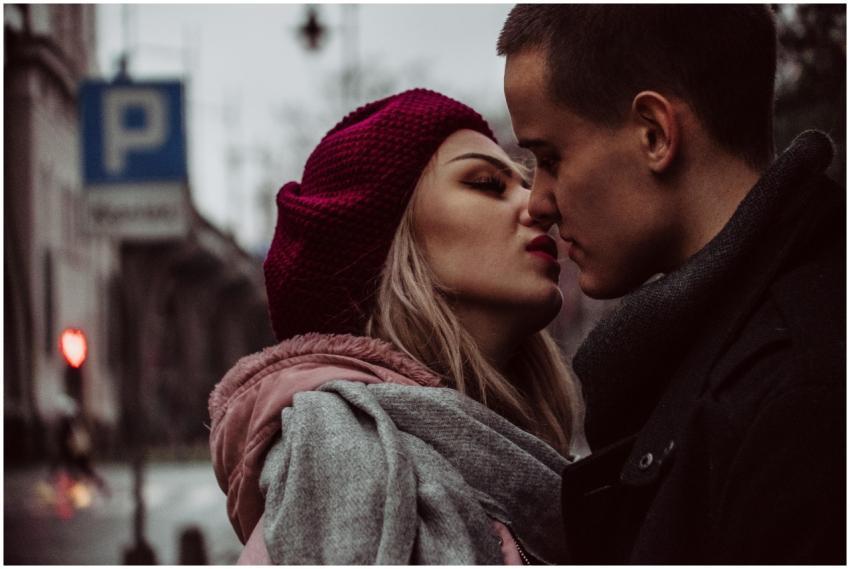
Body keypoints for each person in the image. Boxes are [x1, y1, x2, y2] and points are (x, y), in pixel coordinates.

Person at [498, 4, 844, 564]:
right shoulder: (755, 357)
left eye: (551, 158)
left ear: (655, 134)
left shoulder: (800, 397)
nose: (538, 202)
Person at [208, 89, 583, 564]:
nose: (539, 206)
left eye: (525, 182)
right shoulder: (349, 462)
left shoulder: (502, 459)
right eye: (487, 183)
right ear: (392, 244)